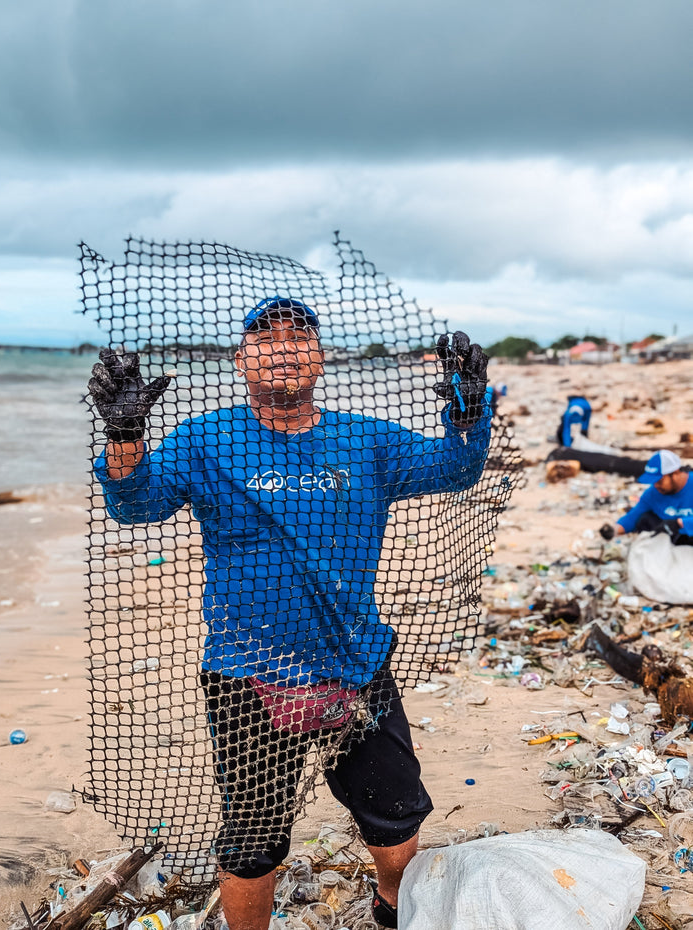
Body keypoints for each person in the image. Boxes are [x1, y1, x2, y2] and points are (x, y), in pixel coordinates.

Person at [88, 297, 493, 930]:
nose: (283, 346)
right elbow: (135, 506)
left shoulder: (366, 440)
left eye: (298, 335)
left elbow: (456, 467)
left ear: (320, 359)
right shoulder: (205, 440)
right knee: (254, 842)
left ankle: (393, 906)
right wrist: (124, 436)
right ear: (241, 360)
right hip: (248, 673)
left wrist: (468, 409)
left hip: (355, 665)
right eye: (265, 337)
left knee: (394, 818)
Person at [600, 450, 693, 544]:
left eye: (659, 481)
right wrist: (614, 530)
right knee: (644, 519)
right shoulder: (654, 492)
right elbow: (633, 516)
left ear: (675, 473)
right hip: (673, 539)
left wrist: (680, 523)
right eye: (654, 482)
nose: (656, 485)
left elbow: (680, 524)